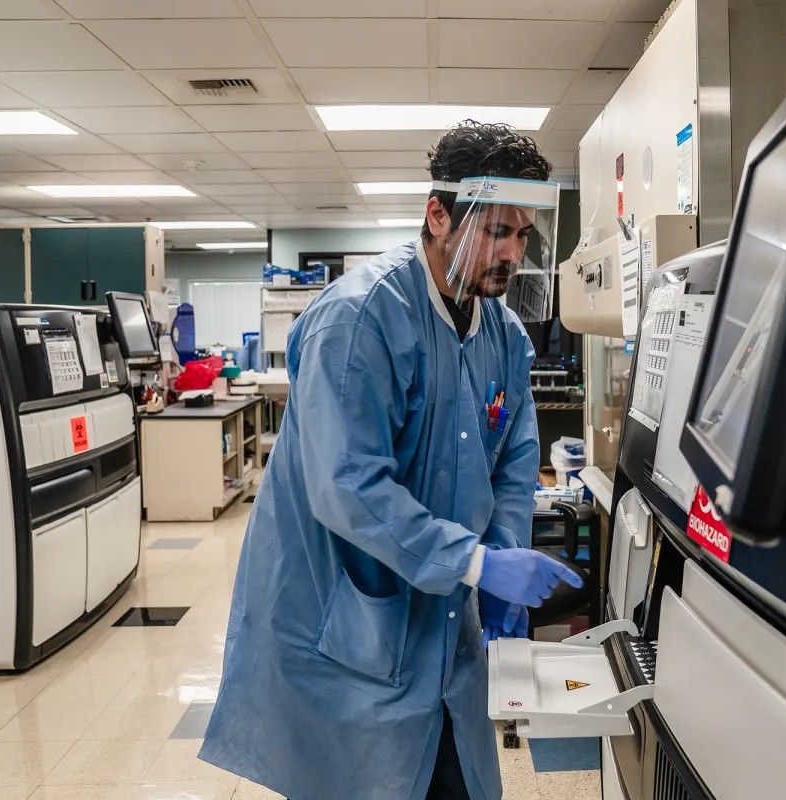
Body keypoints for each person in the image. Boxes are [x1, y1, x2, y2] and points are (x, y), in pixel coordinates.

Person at [199, 121, 583, 800]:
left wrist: (500, 555)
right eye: (497, 232)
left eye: (523, 234)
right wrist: (476, 564)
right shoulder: (361, 321)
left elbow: (515, 460)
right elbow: (348, 486)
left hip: (439, 624)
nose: (514, 254)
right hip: (347, 626)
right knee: (368, 780)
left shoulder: (502, 333)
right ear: (438, 216)